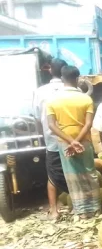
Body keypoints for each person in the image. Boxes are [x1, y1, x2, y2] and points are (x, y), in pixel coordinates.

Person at [46, 65, 102, 218]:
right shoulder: (86, 99)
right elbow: (88, 123)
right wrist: (77, 141)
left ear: (62, 79)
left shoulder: (52, 100)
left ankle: (81, 211)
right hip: (83, 140)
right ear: (76, 79)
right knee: (89, 173)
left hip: (64, 142)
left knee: (72, 176)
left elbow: (51, 125)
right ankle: (95, 208)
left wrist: (70, 142)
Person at [32, 58, 68, 220]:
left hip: (51, 139)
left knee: (52, 175)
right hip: (72, 139)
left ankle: (54, 211)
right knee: (74, 172)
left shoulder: (40, 92)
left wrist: (43, 135)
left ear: (50, 71)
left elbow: (37, 119)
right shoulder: (71, 89)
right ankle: (80, 206)